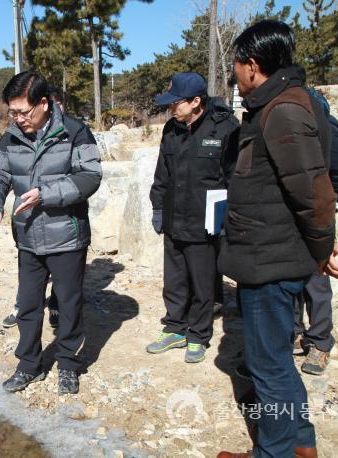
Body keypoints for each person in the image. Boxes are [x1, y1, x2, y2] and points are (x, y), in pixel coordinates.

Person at [216, 20, 338, 458]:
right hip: (269, 253)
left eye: (235, 63)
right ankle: (300, 444)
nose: (234, 71)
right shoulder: (284, 103)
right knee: (276, 363)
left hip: (270, 260)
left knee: (268, 366)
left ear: (252, 66)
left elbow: (314, 189)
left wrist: (320, 247)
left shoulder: (284, 111)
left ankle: (273, 453)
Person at [0, 70, 102, 395]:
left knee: (68, 304)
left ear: (44, 104)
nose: (18, 119)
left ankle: (67, 364)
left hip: (68, 237)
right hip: (28, 237)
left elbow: (90, 176)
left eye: (24, 111)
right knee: (29, 304)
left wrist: (46, 193)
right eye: (13, 112)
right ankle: (29, 365)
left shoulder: (75, 132)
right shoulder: (10, 138)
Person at [148, 72, 239, 363]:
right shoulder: (171, 130)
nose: (171, 109)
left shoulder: (225, 128)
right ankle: (174, 327)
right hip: (175, 218)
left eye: (176, 103)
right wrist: (158, 208)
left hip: (206, 222)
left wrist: (227, 220)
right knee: (174, 280)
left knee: (203, 283)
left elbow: (235, 177)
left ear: (196, 101)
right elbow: (162, 173)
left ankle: (198, 335)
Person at [293, 84, 338, 376]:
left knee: (316, 276)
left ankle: (320, 342)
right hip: (290, 212)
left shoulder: (324, 122)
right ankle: (294, 330)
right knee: (290, 272)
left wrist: (328, 198)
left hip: (317, 212)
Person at [0, 86, 66, 330]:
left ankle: (57, 306)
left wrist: (49, 194)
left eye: (59, 105)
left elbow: (85, 178)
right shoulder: (15, 135)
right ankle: (23, 306)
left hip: (60, 222)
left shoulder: (71, 133)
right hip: (26, 221)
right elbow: (0, 175)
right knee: (28, 271)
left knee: (60, 271)